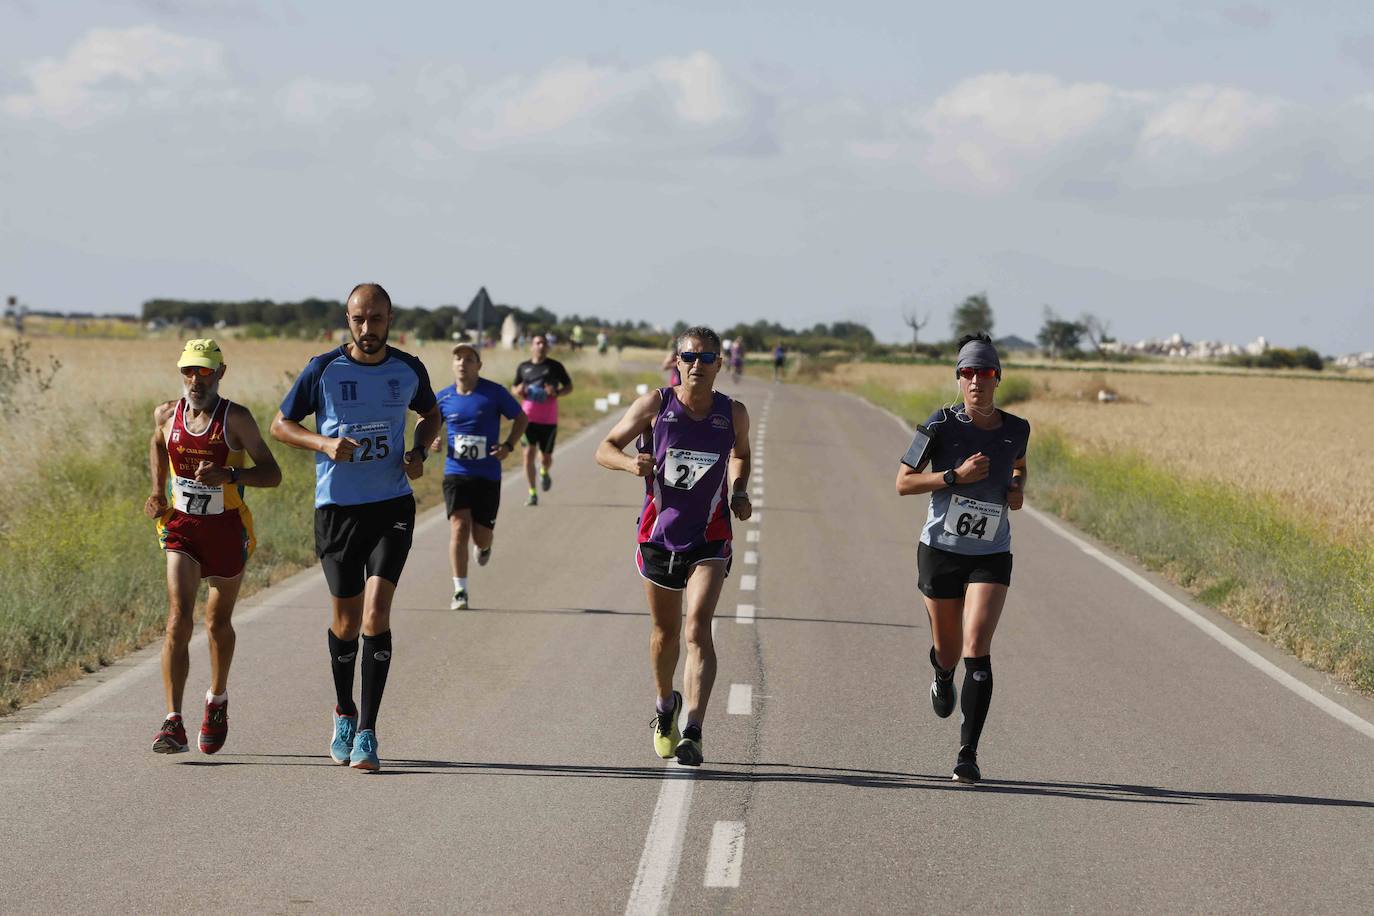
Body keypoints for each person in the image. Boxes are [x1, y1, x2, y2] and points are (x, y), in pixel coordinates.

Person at [270, 283, 441, 772]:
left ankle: (367, 731)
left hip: (391, 505)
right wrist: (323, 444)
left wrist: (418, 451)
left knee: (375, 614)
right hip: (338, 510)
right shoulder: (323, 369)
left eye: (378, 320)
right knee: (345, 623)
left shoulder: (409, 369)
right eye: (359, 320)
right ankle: (343, 711)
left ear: (391, 320)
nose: (368, 330)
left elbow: (430, 414)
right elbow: (281, 424)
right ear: (348, 320)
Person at [595, 326, 752, 767]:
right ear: (676, 361)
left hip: (710, 535)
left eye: (706, 358)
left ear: (720, 364)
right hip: (659, 537)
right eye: (689, 357)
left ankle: (694, 731)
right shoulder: (655, 406)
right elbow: (603, 448)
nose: (697, 365)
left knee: (697, 627)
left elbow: (741, 454)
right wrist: (631, 463)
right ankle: (666, 706)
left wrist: (738, 491)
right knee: (665, 635)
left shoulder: (732, 413)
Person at [895, 333, 1029, 784]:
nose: (977, 381)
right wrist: (954, 476)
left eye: (985, 372)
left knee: (977, 646)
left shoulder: (1017, 428)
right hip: (940, 551)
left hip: (991, 552)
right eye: (968, 373)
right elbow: (903, 483)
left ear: (998, 378)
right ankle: (941, 672)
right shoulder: (938, 425)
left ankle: (967, 754)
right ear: (958, 377)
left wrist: (1016, 490)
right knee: (950, 649)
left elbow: (1019, 464)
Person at [146, 339, 282, 755]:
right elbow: (156, 442)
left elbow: (272, 474)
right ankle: (172, 722)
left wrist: (229, 475)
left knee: (217, 621)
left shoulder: (235, 419)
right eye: (189, 371)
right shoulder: (167, 414)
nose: (195, 379)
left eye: (204, 371)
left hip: (226, 526)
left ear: (220, 374)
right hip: (182, 526)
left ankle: (217, 700)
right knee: (176, 620)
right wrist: (157, 491)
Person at [431, 342, 528, 610]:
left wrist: (508, 446)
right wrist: (431, 441)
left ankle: (484, 547)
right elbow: (426, 424)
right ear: (453, 365)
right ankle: (460, 590)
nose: (463, 362)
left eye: (469, 358)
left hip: (487, 474)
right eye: (458, 358)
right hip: (456, 472)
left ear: (478, 365)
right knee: (459, 527)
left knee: (481, 535)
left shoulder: (494, 393)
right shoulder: (443, 397)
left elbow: (521, 418)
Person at [512, 333, 573, 506]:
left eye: (544, 343)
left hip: (548, 419)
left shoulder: (555, 366)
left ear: (547, 347)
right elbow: (514, 387)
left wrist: (557, 393)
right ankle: (532, 493)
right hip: (527, 418)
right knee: (528, 454)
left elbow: (569, 387)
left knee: (545, 457)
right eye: (537, 342)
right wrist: (518, 391)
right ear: (532, 346)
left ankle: (544, 471)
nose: (540, 345)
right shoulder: (523, 367)